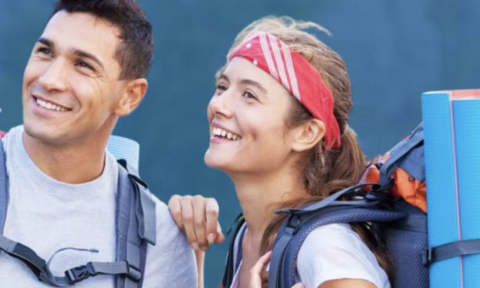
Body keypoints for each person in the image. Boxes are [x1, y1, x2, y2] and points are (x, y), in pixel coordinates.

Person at [169, 16, 391, 288]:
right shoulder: (249, 238)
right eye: (223, 87)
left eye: (249, 95)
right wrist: (192, 255)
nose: (219, 105)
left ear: (306, 133)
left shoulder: (324, 245)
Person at [0, 0, 197, 287]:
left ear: (130, 96)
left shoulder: (160, 240)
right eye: (45, 52)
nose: (50, 79)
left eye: (83, 65)